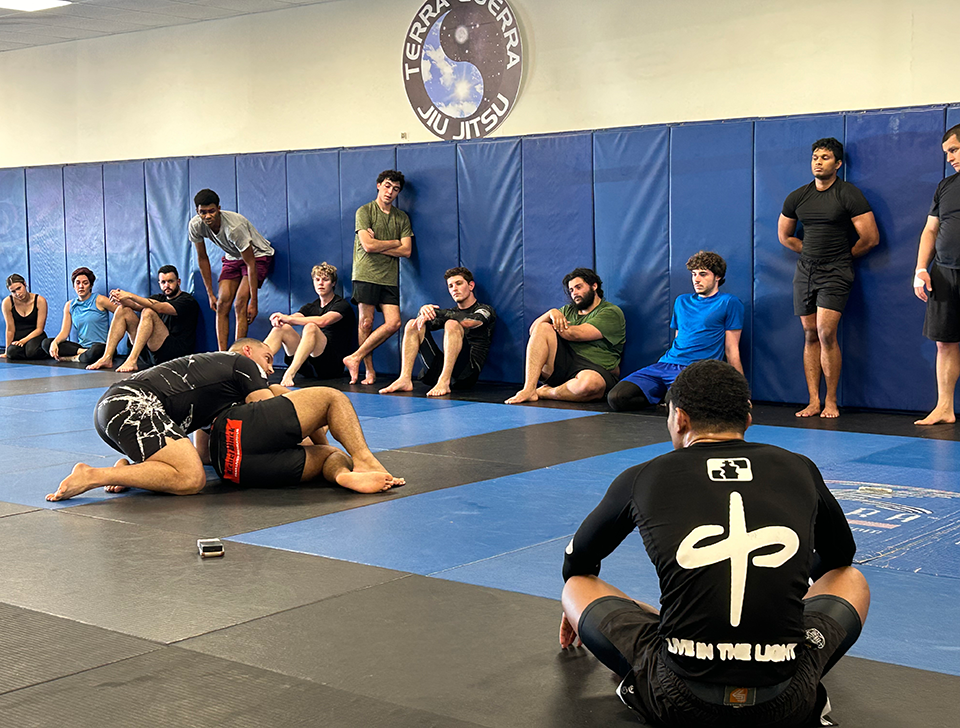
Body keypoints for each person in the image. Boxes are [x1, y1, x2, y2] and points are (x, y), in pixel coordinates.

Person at [560, 360, 870, 727]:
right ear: (748, 419)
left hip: (678, 698)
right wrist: (781, 592)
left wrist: (576, 613)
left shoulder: (643, 476)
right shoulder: (798, 467)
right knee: (852, 578)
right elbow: (840, 557)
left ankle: (654, 661)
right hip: (788, 699)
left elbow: (577, 565)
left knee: (576, 587)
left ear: (680, 419)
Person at [203, 343, 404, 494]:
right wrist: (318, 436)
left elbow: (203, 454)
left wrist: (323, 447)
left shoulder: (210, 382)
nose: (271, 368)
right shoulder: (239, 365)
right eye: (267, 358)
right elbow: (267, 416)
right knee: (331, 398)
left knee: (332, 456)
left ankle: (343, 475)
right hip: (241, 429)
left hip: (232, 469)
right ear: (247, 351)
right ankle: (364, 461)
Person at [778, 137, 879, 419]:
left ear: (838, 163)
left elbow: (870, 238)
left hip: (836, 271)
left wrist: (840, 257)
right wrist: (810, 251)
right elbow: (785, 236)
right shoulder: (798, 196)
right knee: (810, 333)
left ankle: (831, 401)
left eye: (824, 157)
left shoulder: (848, 194)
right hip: (805, 272)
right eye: (815, 157)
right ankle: (813, 401)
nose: (818, 162)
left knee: (825, 332)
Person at [607, 251, 743, 411]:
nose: (697, 279)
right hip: (666, 364)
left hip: (696, 368)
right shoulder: (681, 301)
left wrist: (741, 393)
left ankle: (671, 397)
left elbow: (731, 348)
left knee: (675, 406)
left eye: (703, 274)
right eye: (694, 274)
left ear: (717, 277)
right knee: (616, 398)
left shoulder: (729, 302)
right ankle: (664, 395)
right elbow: (678, 339)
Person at [506, 267, 625, 405]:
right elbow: (534, 330)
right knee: (543, 327)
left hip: (595, 368)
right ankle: (529, 389)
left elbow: (576, 334)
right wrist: (550, 313)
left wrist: (556, 322)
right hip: (562, 365)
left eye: (578, 287)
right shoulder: (568, 310)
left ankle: (545, 392)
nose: (574, 293)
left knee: (589, 384)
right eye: (571, 290)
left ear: (594, 286)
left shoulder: (611, 312)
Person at [342, 170, 413, 385]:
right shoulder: (364, 211)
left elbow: (407, 251)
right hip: (365, 274)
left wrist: (381, 244)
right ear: (379, 185)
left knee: (394, 323)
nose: (390, 192)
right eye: (388, 186)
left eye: (396, 189)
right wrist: (394, 242)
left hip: (389, 277)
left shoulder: (401, 217)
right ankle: (368, 371)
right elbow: (368, 245)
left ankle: (354, 357)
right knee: (366, 323)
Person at [380, 266, 496, 397]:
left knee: (452, 324)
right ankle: (404, 379)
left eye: (459, 284)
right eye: (451, 286)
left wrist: (439, 313)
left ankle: (444, 381)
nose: (454, 289)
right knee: (413, 324)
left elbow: (470, 322)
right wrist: (424, 311)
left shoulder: (485, 309)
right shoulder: (451, 312)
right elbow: (427, 323)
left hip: (465, 374)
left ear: (470, 286)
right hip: (438, 371)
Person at [913, 123, 960, 425]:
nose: (950, 158)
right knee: (944, 342)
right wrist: (920, 269)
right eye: (947, 153)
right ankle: (944, 407)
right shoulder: (945, 186)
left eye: (954, 150)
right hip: (944, 272)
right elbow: (931, 229)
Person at [190, 188, 275, 351]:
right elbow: (202, 258)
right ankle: (223, 355)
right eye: (203, 212)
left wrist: (254, 303)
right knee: (221, 303)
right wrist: (210, 293)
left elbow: (251, 264)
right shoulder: (196, 225)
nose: (207, 216)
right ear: (197, 211)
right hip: (232, 256)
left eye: (212, 211)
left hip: (257, 255)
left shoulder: (234, 228)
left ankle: (237, 354)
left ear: (219, 209)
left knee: (240, 303)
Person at [86, 265, 200, 372]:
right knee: (123, 310)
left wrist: (130, 295)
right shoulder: (159, 297)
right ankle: (107, 357)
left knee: (148, 311)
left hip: (174, 354)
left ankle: (132, 359)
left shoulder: (187, 301)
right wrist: (120, 298)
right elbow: (136, 306)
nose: (167, 286)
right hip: (150, 354)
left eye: (170, 281)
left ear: (178, 282)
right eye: (163, 282)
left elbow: (160, 308)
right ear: (159, 283)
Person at [265, 262, 356, 388]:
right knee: (282, 328)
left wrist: (288, 319)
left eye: (325, 280)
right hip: (307, 364)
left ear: (333, 283)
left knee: (311, 326)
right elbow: (295, 317)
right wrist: (280, 318)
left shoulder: (341, 305)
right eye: (317, 280)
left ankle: (290, 373)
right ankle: (257, 367)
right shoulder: (311, 306)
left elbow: (323, 321)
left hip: (330, 366)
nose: (320, 283)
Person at [41, 267, 117, 365]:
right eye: (78, 283)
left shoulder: (100, 300)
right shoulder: (69, 305)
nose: (81, 286)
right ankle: (83, 354)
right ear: (73, 286)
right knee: (46, 343)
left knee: (97, 349)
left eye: (85, 283)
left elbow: (121, 312)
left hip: (102, 347)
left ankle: (73, 358)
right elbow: (64, 332)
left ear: (91, 285)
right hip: (81, 347)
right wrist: (54, 343)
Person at [2, 274, 49, 361]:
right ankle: (26, 352)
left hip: (36, 336)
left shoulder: (40, 301)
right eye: (13, 292)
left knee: (31, 351)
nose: (17, 294)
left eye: (19, 288)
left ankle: (45, 350)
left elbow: (39, 329)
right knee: (12, 352)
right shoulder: (7, 303)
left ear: (25, 284)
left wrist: (23, 341)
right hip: (18, 337)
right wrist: (7, 351)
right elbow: (10, 329)